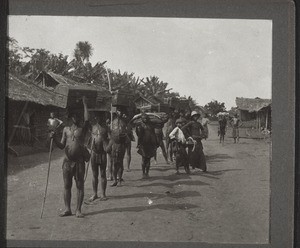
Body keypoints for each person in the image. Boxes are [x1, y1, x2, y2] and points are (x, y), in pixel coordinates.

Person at [50, 96, 90, 218]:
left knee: (79, 185)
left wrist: (85, 104)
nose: (77, 118)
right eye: (75, 116)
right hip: (67, 162)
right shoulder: (66, 130)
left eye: (79, 116)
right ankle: (68, 209)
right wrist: (54, 138)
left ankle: (78, 210)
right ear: (71, 118)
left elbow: (87, 120)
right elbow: (62, 146)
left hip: (79, 162)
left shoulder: (82, 129)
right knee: (67, 185)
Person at [88, 112, 109, 202]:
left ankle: (103, 194)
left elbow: (112, 139)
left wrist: (106, 144)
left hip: (103, 153)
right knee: (94, 174)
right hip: (94, 153)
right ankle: (94, 194)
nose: (98, 119)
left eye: (100, 117)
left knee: (103, 174)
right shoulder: (92, 127)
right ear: (95, 118)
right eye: (97, 117)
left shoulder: (106, 128)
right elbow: (86, 121)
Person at [106, 108, 128, 187]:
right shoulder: (112, 122)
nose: (119, 113)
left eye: (120, 111)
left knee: (120, 162)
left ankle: (119, 178)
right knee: (114, 163)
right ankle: (115, 179)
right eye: (118, 111)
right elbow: (109, 133)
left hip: (121, 144)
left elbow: (126, 133)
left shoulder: (124, 122)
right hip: (114, 144)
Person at [136, 113, 158, 179]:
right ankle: (143, 173)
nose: (145, 119)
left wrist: (155, 144)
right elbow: (139, 136)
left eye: (146, 118)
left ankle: (147, 173)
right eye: (144, 118)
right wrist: (139, 144)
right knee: (144, 159)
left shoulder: (150, 126)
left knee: (148, 159)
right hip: (143, 144)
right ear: (142, 119)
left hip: (150, 144)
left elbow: (153, 135)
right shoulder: (140, 126)